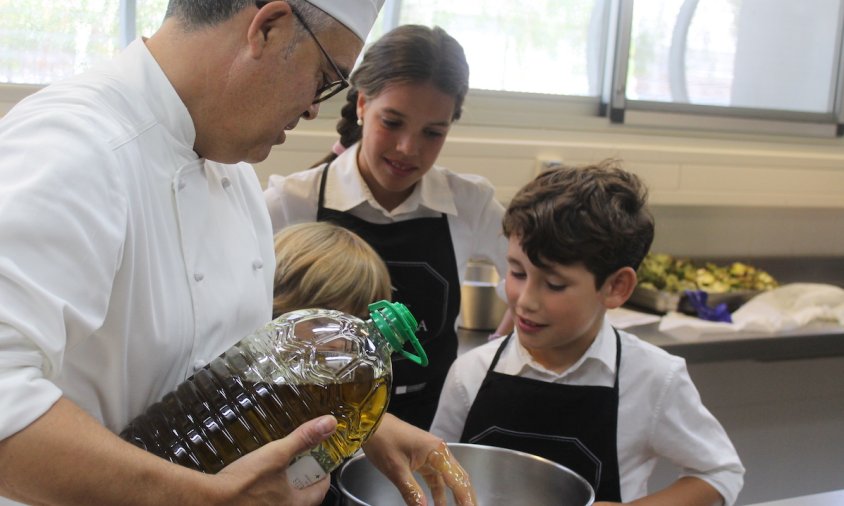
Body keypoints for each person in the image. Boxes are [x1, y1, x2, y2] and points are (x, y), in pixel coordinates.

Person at [0, 1, 476, 505]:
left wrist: (368, 422)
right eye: (325, 76)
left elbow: (228, 369)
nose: (316, 107)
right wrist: (206, 499)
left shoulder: (235, 173)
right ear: (267, 28)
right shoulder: (72, 148)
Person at [429, 160, 746, 505]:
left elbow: (720, 473)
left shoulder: (654, 378)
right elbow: (433, 472)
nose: (525, 301)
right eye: (517, 273)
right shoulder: (469, 374)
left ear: (616, 287)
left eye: (554, 284)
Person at [264, 24, 511, 430]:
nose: (407, 148)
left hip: (431, 427)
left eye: (433, 132)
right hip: (313, 428)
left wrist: (496, 351)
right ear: (362, 105)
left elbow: (531, 280)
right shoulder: (291, 203)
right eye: (392, 122)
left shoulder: (470, 203)